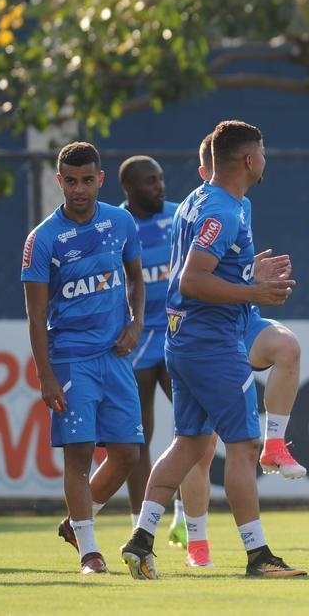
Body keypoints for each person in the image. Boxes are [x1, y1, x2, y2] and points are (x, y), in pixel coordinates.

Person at [120, 120, 304, 579]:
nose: (265, 159)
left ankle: (140, 539)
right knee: (243, 447)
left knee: (188, 445)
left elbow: (207, 268)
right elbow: (192, 279)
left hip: (184, 340)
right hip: (213, 344)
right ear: (248, 159)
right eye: (262, 152)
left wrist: (248, 272)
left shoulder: (200, 201)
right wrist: (254, 293)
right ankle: (258, 556)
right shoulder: (223, 210)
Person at [23, 141, 145, 574]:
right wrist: (46, 376)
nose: (79, 189)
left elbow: (136, 278)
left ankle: (76, 522)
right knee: (79, 455)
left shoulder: (121, 221)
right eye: (71, 181)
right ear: (59, 181)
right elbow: (36, 315)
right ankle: (90, 553)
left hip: (115, 356)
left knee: (128, 453)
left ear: (100, 179)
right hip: (71, 359)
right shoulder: (43, 239)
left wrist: (136, 323)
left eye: (87, 180)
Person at [116, 156, 180, 528]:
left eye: (160, 179)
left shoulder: (179, 215)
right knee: (137, 436)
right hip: (137, 339)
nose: (159, 187)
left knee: (195, 429)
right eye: (150, 181)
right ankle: (141, 525)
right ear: (129, 187)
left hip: (178, 333)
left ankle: (187, 517)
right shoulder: (116, 226)